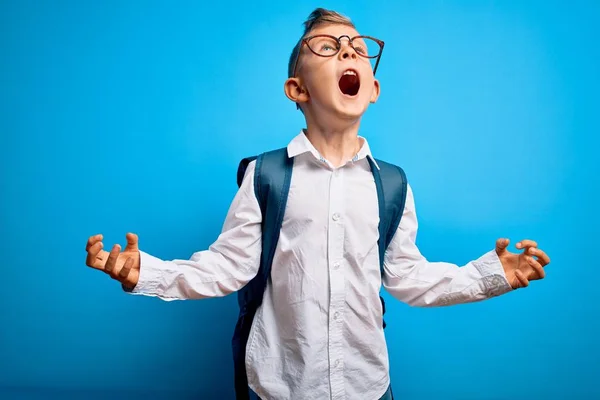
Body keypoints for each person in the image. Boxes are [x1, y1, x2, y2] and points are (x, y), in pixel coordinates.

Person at [84, 8, 551, 400]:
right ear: (298, 90)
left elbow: (408, 278)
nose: (348, 50)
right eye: (326, 47)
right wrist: (147, 272)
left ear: (372, 89)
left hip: (369, 388)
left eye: (356, 46)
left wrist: (489, 275)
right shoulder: (265, 175)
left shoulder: (392, 185)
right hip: (280, 387)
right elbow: (226, 267)